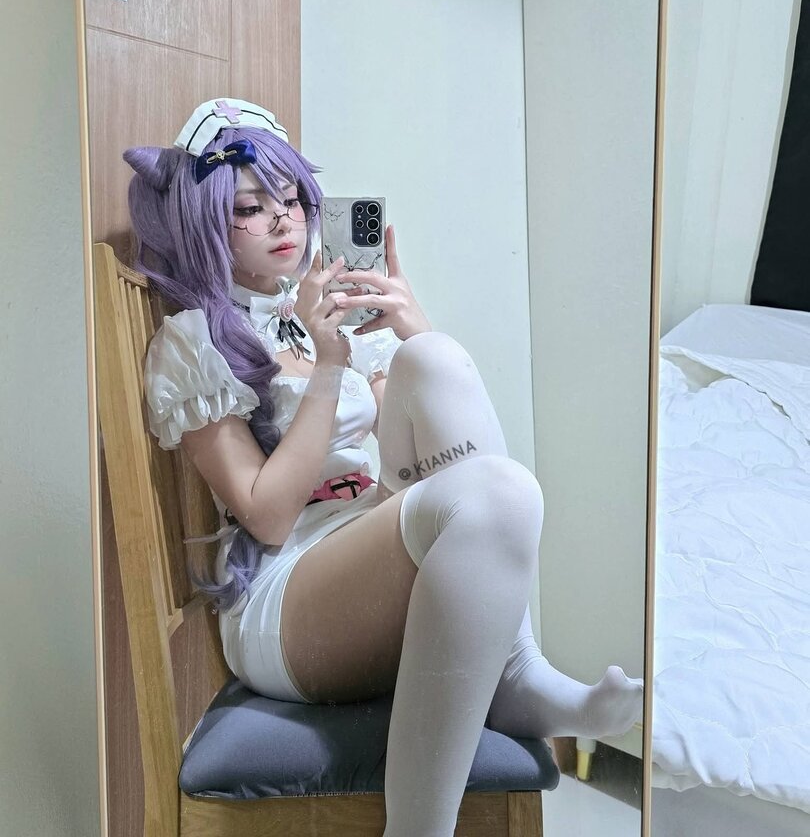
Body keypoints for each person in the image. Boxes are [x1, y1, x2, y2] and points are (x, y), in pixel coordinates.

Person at [126, 97, 643, 837]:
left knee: (436, 362)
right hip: (286, 592)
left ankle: (516, 666)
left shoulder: (317, 308)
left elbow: (422, 419)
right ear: (205, 221)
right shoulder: (196, 341)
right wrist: (328, 365)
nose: (282, 220)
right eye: (249, 207)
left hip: (359, 535)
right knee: (496, 491)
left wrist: (409, 325)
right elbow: (266, 515)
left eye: (290, 199)